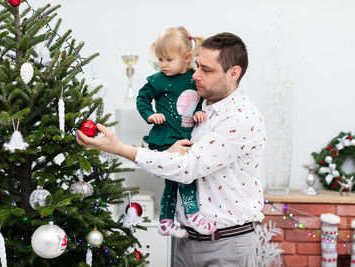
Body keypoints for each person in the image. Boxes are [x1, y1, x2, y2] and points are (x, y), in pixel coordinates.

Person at [77, 32, 266, 267]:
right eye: (197, 66)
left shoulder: (241, 117)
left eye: (206, 70)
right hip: (185, 241)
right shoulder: (195, 105)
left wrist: (120, 149)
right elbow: (170, 166)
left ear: (233, 73)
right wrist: (167, 153)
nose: (195, 75)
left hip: (226, 245)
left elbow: (187, 168)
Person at [136, 26, 216, 239]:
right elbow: (142, 98)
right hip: (165, 138)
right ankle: (192, 214)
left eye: (168, 60)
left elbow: (198, 100)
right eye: (160, 59)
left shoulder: (193, 78)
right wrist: (150, 115)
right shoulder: (158, 80)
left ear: (187, 57)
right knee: (184, 176)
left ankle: (165, 220)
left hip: (185, 138)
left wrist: (199, 112)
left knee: (172, 181)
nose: (163, 64)